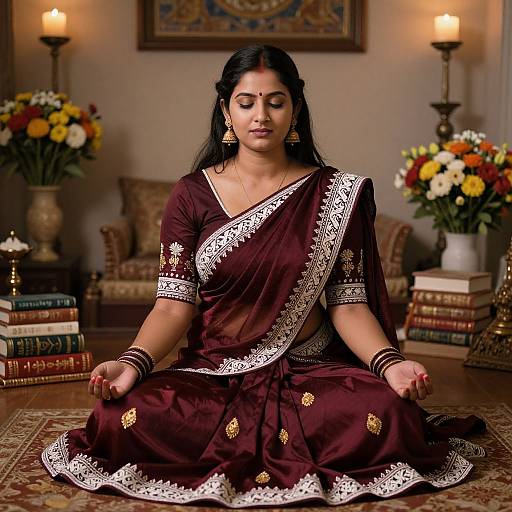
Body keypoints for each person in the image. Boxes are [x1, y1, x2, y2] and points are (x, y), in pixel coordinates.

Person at [41, 45, 485, 507]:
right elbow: (173, 304)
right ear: (226, 110)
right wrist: (131, 363)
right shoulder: (192, 194)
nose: (261, 115)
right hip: (213, 371)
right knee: (122, 415)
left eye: (275, 101)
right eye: (246, 101)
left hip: (309, 369)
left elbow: (349, 304)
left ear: (295, 108)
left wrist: (391, 364)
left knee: (391, 412)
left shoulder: (333, 194)